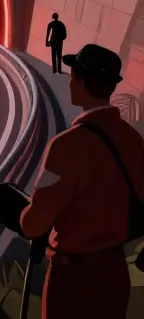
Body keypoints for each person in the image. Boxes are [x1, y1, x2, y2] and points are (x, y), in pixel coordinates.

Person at [19, 44, 144, 318]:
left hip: (72, 278)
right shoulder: (134, 140)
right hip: (114, 274)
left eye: (73, 74)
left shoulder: (66, 146)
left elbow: (36, 222)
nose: (70, 80)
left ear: (82, 81)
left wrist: (25, 218)